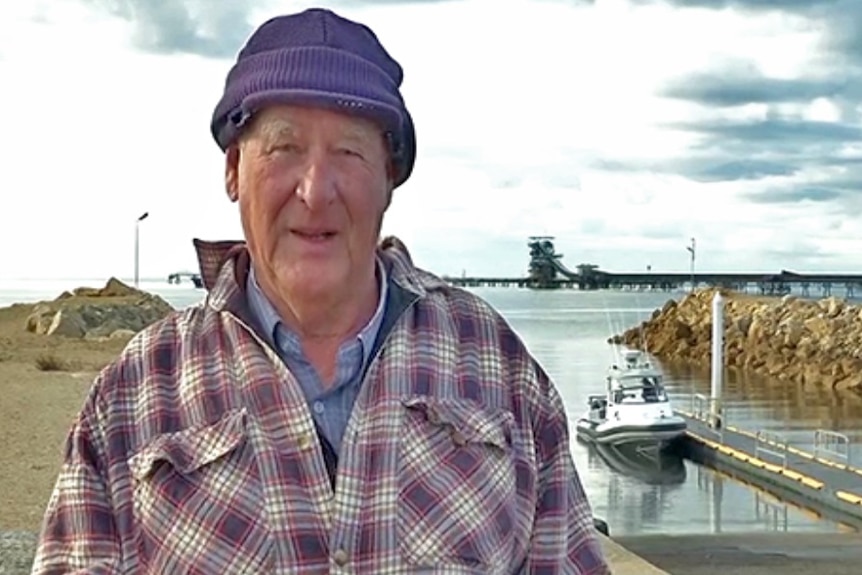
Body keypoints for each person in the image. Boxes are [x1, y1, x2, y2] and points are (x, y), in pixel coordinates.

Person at [31, 7, 610, 574]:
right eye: (284, 148)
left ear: (390, 178)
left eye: (350, 153)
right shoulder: (135, 393)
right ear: (233, 170)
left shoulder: (496, 366)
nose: (315, 191)